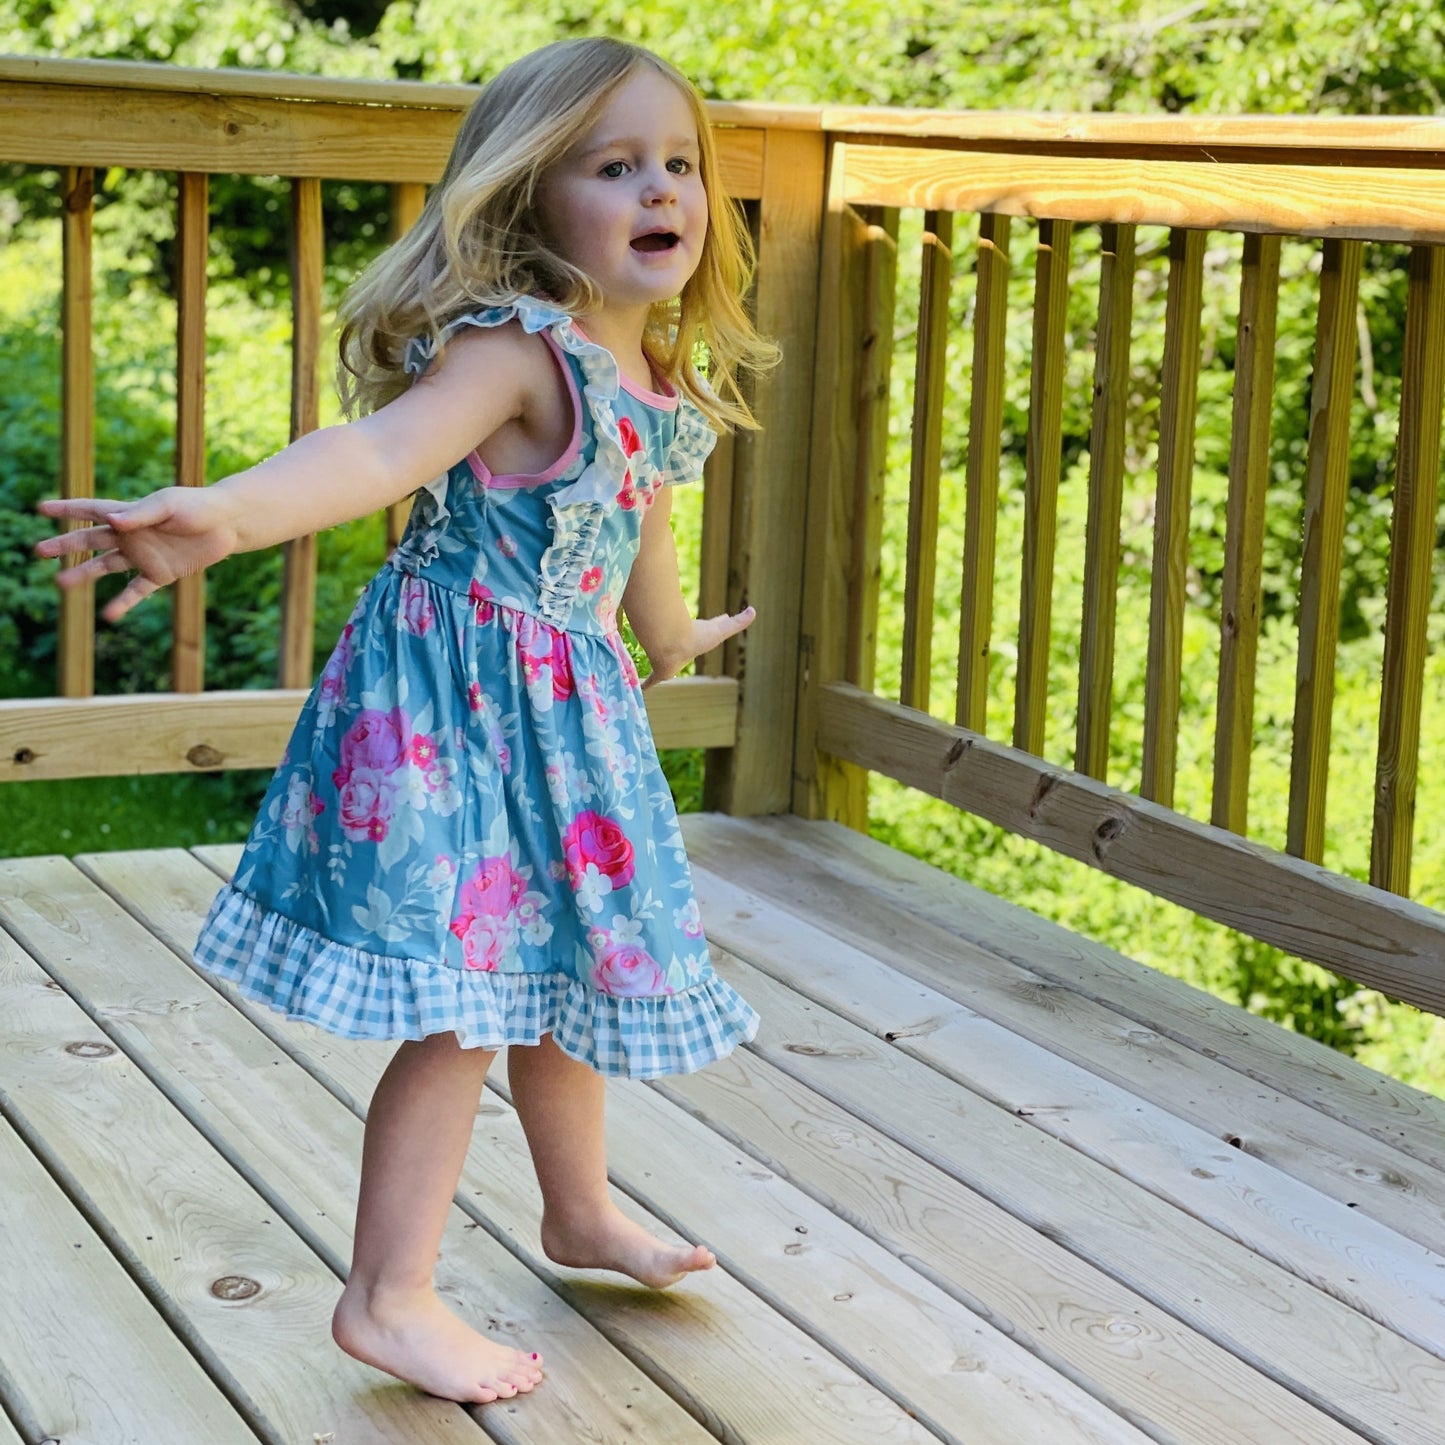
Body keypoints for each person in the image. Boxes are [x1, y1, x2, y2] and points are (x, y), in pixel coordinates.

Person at [35, 36, 776, 1407]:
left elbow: (638, 537)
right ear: (531, 195)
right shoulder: (515, 350)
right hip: (448, 715)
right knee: (461, 1011)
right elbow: (374, 454)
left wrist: (671, 637)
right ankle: (388, 1295)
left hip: (564, 723)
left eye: (677, 164)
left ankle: (577, 1212)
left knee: (564, 975)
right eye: (613, 166)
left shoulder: (646, 377)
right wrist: (225, 517)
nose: (658, 187)